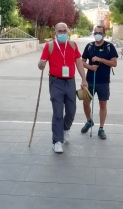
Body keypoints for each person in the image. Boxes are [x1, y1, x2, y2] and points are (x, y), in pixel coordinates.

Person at [38, 22, 87, 153]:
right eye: (59, 31)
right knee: (58, 113)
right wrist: (41, 64)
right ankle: (57, 141)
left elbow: (78, 62)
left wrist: (83, 79)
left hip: (70, 82)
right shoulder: (49, 46)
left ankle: (65, 128)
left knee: (71, 111)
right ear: (55, 33)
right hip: (56, 82)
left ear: (67, 31)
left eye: (64, 31)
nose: (62, 33)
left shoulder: (72, 45)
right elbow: (41, 64)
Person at [80, 25, 118, 140]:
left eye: (100, 33)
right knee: (85, 102)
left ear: (104, 34)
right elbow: (82, 62)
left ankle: (101, 128)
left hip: (103, 81)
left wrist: (100, 60)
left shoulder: (109, 47)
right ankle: (89, 121)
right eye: (96, 33)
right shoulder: (89, 46)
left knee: (103, 104)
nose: (97, 35)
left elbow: (114, 63)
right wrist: (90, 67)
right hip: (88, 80)